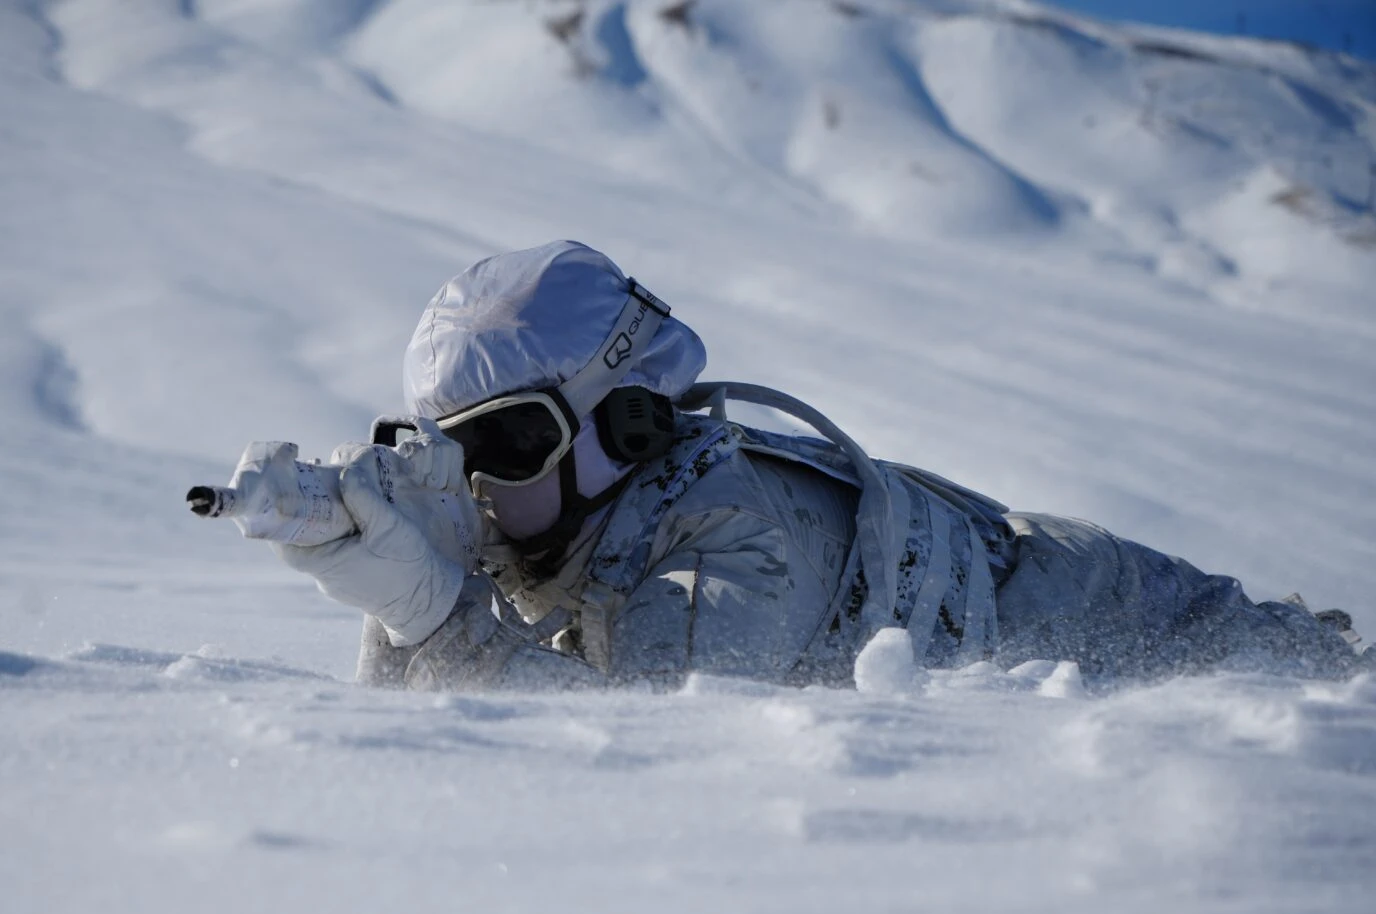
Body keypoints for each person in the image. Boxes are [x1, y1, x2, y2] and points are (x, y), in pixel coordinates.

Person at [260, 241, 1368, 692]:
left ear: (627, 424)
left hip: (1101, 608)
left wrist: (439, 614)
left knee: (1313, 681)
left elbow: (624, 765)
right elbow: (421, 759)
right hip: (1036, 571)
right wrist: (396, 600)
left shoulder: (736, 531)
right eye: (446, 454)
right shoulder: (575, 521)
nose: (479, 484)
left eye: (507, 443)